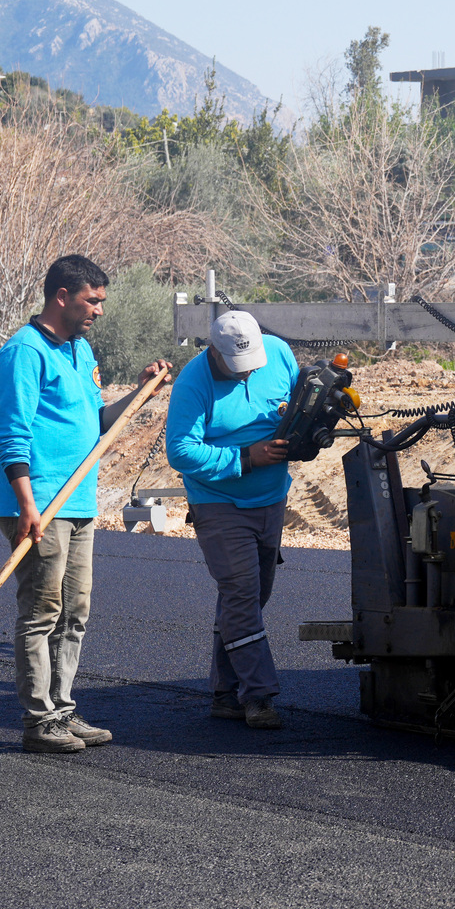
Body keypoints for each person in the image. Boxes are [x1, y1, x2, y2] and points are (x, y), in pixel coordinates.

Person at [0, 253, 169, 754]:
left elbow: (99, 422)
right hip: (39, 506)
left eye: (101, 301)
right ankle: (39, 720)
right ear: (62, 296)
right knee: (41, 611)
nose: (99, 310)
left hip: (78, 502)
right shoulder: (24, 353)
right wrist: (26, 504)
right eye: (92, 301)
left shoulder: (80, 350)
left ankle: (62, 709)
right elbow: (12, 436)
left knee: (74, 611)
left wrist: (142, 392)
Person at [165, 308, 299, 730]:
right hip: (219, 501)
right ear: (214, 351)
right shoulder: (193, 383)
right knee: (241, 596)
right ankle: (258, 695)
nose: (247, 372)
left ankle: (225, 693)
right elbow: (180, 451)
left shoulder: (278, 354)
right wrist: (245, 458)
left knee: (252, 598)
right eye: (237, 365)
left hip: (272, 498)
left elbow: (297, 409)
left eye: (252, 363)